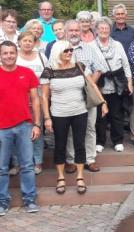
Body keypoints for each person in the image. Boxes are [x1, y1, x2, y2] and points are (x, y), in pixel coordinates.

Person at [0, 41, 41, 216]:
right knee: (0, 167)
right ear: (0, 55)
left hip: (24, 125)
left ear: (17, 53)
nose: (9, 56)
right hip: (1, 128)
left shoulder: (27, 73)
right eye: (5, 53)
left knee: (28, 165)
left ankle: (30, 200)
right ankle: (1, 202)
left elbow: (35, 100)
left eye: (12, 53)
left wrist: (36, 123)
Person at [41, 40, 105, 195]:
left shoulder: (79, 66)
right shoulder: (49, 71)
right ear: (58, 52)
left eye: (71, 50)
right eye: (66, 51)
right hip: (59, 113)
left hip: (80, 111)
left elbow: (92, 85)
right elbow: (44, 97)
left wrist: (103, 102)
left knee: (79, 144)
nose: (70, 53)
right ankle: (61, 178)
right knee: (60, 145)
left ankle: (80, 177)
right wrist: (47, 118)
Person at [63, 20, 106, 173]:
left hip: (87, 95)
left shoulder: (89, 49)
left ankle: (90, 159)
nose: (74, 33)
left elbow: (99, 68)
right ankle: (71, 160)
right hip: (67, 96)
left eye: (76, 30)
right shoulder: (59, 48)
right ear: (66, 32)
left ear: (80, 32)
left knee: (89, 127)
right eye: (71, 30)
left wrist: (88, 86)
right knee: (70, 129)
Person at [94, 17, 133, 153]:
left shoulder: (117, 44)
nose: (104, 31)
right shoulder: (91, 46)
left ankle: (117, 140)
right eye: (101, 28)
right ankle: (100, 141)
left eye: (106, 28)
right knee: (100, 115)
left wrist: (129, 82)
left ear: (110, 30)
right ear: (97, 30)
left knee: (117, 113)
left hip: (117, 82)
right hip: (99, 84)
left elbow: (126, 64)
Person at [15, 31, 47, 174]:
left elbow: (47, 78)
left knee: (37, 128)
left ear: (34, 43)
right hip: (18, 98)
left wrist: (47, 98)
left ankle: (37, 161)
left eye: (30, 41)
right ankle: (17, 162)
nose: (27, 43)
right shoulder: (14, 57)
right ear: (19, 42)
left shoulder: (41, 56)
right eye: (25, 40)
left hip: (38, 97)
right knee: (18, 130)